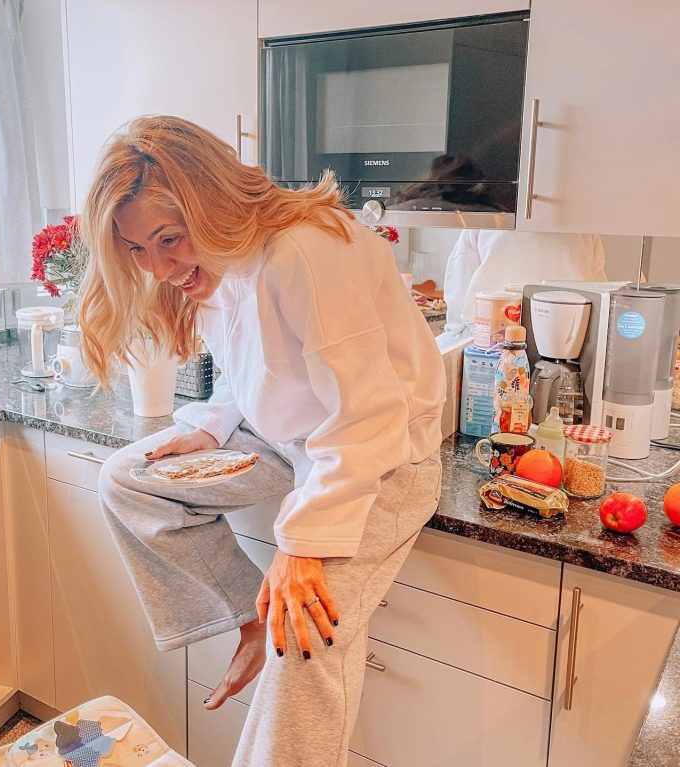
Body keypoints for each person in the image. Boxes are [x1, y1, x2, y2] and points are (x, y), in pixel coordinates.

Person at [76, 116, 445, 767]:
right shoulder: (217, 262)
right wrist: (210, 425)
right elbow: (255, 365)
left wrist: (304, 544)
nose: (158, 268)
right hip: (290, 442)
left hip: (381, 457)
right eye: (136, 250)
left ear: (213, 199)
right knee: (126, 480)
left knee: (303, 637)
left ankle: (270, 630)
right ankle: (247, 615)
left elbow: (369, 415)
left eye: (168, 239)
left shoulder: (308, 250)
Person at [438, 229, 609, 348]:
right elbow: (599, 293)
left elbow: (458, 289)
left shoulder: (488, 221)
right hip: (568, 339)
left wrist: (456, 330)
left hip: (491, 342)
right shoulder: (584, 228)